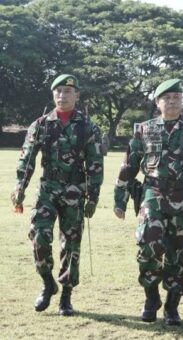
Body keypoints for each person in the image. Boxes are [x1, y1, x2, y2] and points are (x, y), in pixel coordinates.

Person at [113, 79, 183, 326]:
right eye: (167, 98)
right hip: (152, 195)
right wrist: (119, 199)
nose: (172, 101)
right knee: (148, 246)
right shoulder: (144, 129)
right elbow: (129, 165)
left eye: (176, 97)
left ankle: (172, 306)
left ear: (182, 102)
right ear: (157, 103)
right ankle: (151, 298)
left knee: (178, 251)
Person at [11, 74, 105, 316]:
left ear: (77, 95)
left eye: (68, 92)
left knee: (71, 245)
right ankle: (47, 282)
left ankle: (66, 296)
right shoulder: (41, 124)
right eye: (58, 91)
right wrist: (19, 189)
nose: (62, 95)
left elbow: (95, 165)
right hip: (47, 188)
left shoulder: (88, 127)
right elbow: (27, 159)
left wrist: (92, 198)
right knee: (38, 236)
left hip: (75, 191)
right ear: (53, 94)